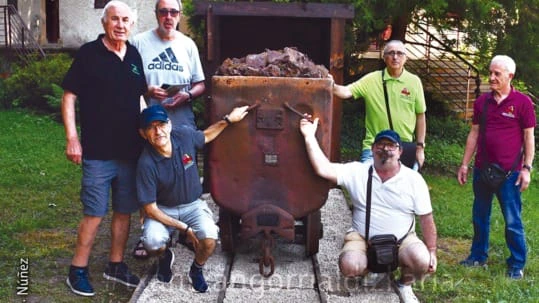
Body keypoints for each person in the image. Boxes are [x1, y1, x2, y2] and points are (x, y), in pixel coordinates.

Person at [60, 1, 147, 297]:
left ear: (132, 24)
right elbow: (69, 96)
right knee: (95, 213)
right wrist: (73, 137)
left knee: (124, 211)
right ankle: (78, 269)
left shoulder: (134, 55)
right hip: (97, 151)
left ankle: (116, 264)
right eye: (114, 20)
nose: (120, 25)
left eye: (125, 20)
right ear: (104, 23)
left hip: (130, 151)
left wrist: (149, 127)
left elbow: (139, 99)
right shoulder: (88, 54)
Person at [299, 119, 437, 303]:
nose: (385, 149)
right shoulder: (358, 171)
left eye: (391, 146)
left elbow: (426, 219)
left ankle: (405, 284)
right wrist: (308, 136)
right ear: (372, 150)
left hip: (402, 239)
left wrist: (432, 251)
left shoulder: (414, 180)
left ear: (400, 151)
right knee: (349, 266)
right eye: (380, 145)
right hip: (363, 237)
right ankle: (373, 268)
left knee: (421, 260)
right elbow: (323, 169)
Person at [136, 104, 249, 292]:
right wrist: (185, 229)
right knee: (152, 242)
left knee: (210, 237)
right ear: (143, 133)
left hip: (193, 205)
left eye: (162, 125)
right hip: (162, 209)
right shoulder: (146, 163)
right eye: (151, 127)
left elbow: (206, 135)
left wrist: (229, 120)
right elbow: (150, 210)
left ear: (170, 125)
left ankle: (197, 269)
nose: (158, 131)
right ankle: (164, 257)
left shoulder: (184, 136)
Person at [457, 55, 535, 279]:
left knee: (513, 221)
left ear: (510, 76)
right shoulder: (482, 102)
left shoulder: (523, 103)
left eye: (496, 74)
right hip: (482, 170)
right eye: (490, 72)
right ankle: (477, 256)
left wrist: (527, 168)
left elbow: (529, 138)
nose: (491, 77)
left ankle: (517, 263)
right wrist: (464, 164)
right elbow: (474, 133)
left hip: (510, 175)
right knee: (480, 216)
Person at [333, 40, 426, 169]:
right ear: (384, 57)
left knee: (405, 188)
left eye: (399, 53)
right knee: (369, 185)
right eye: (391, 53)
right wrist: (329, 83)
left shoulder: (414, 82)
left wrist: (420, 148)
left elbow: (420, 116)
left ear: (406, 58)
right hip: (375, 146)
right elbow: (345, 92)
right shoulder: (371, 79)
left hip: (403, 148)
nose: (395, 57)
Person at [132, 0, 205, 130]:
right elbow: (127, 80)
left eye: (173, 12)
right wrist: (147, 90)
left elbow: (199, 84)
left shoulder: (188, 45)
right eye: (163, 12)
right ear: (156, 14)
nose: (168, 17)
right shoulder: (138, 43)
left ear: (180, 15)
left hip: (182, 124)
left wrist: (188, 95)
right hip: (148, 123)